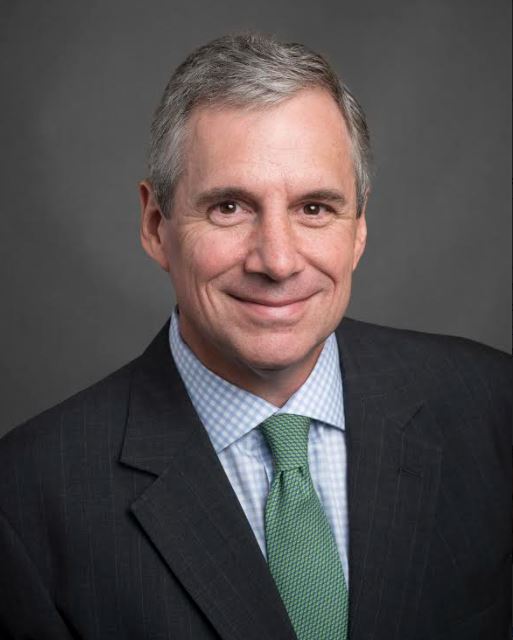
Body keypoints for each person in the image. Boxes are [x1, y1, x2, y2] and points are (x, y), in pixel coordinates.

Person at [0, 32, 510, 640]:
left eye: (314, 208)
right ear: (156, 225)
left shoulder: (492, 407)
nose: (277, 261)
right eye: (229, 208)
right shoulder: (27, 497)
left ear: (358, 228)